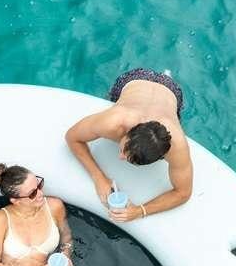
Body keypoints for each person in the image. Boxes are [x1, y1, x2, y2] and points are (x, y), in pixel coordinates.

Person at [64, 68, 193, 222]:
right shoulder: (113, 122)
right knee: (110, 101)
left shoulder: (177, 146)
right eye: (123, 149)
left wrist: (140, 211)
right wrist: (99, 177)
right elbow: (72, 137)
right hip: (135, 80)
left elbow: (183, 193)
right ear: (128, 132)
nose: (120, 157)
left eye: (128, 158)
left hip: (170, 91)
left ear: (162, 156)